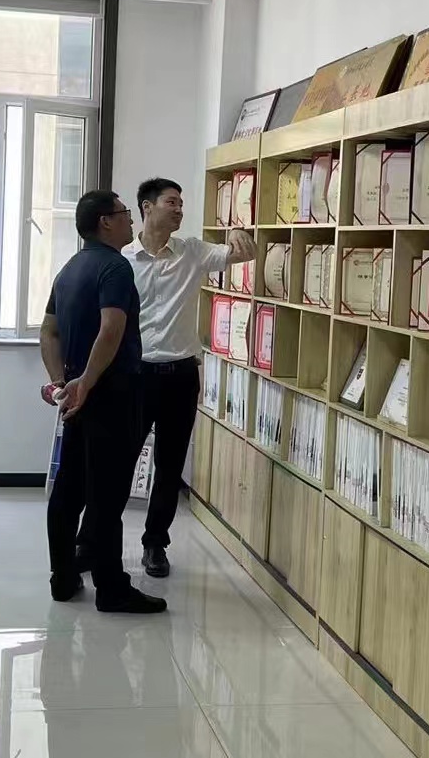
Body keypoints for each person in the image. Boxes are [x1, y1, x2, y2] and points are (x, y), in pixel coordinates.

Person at [77, 178, 253, 578]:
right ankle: (91, 540)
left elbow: (244, 253)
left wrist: (237, 233)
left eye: (181, 203)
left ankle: (155, 543)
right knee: (117, 462)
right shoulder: (120, 259)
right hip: (134, 374)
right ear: (146, 207)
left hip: (180, 376)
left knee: (170, 466)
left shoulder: (192, 251)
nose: (179, 209)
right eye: (171, 202)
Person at [40, 190, 166, 614]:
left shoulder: (70, 268)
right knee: (108, 496)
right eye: (125, 213)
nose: (131, 219)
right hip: (111, 394)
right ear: (105, 222)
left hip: (78, 398)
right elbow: (112, 328)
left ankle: (63, 577)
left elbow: (48, 331)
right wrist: (89, 382)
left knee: (69, 489)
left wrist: (63, 383)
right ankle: (112, 589)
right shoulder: (115, 266)